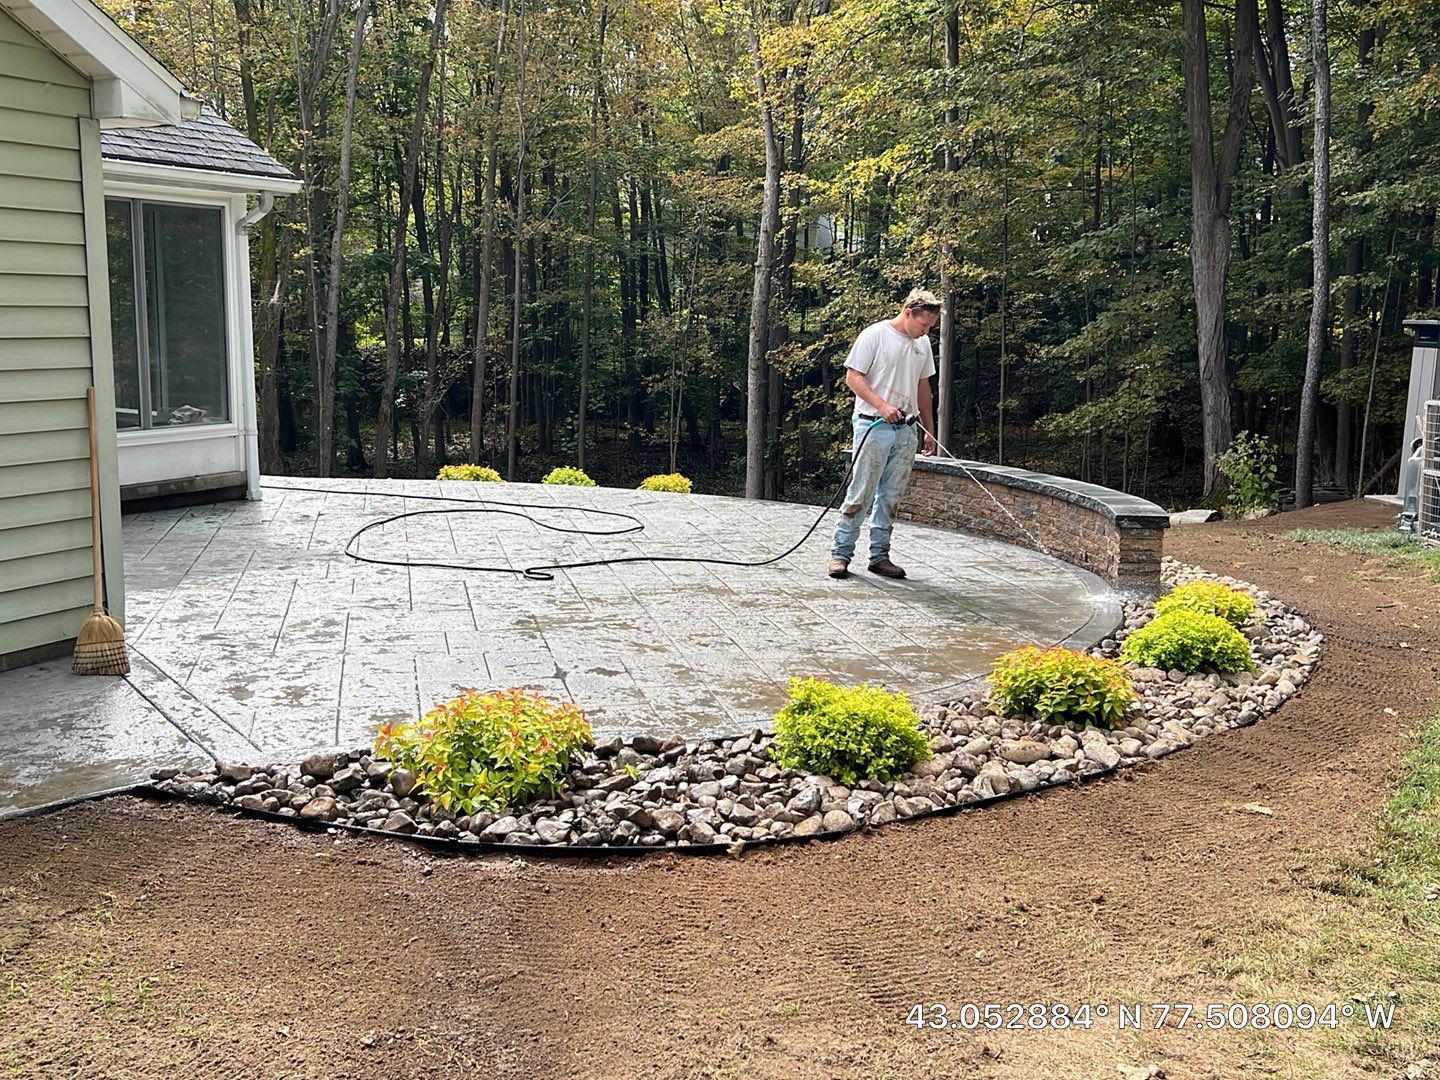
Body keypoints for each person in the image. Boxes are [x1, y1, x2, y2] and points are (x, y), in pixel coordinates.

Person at [828, 287, 940, 580]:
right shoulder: (875, 335)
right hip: (872, 425)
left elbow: (923, 389)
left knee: (891, 495)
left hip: (905, 431)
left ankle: (880, 556)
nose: (926, 331)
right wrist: (881, 406)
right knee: (861, 492)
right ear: (908, 313)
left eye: (930, 326)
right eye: (923, 324)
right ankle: (841, 554)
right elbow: (853, 377)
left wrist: (929, 429)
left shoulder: (923, 344)